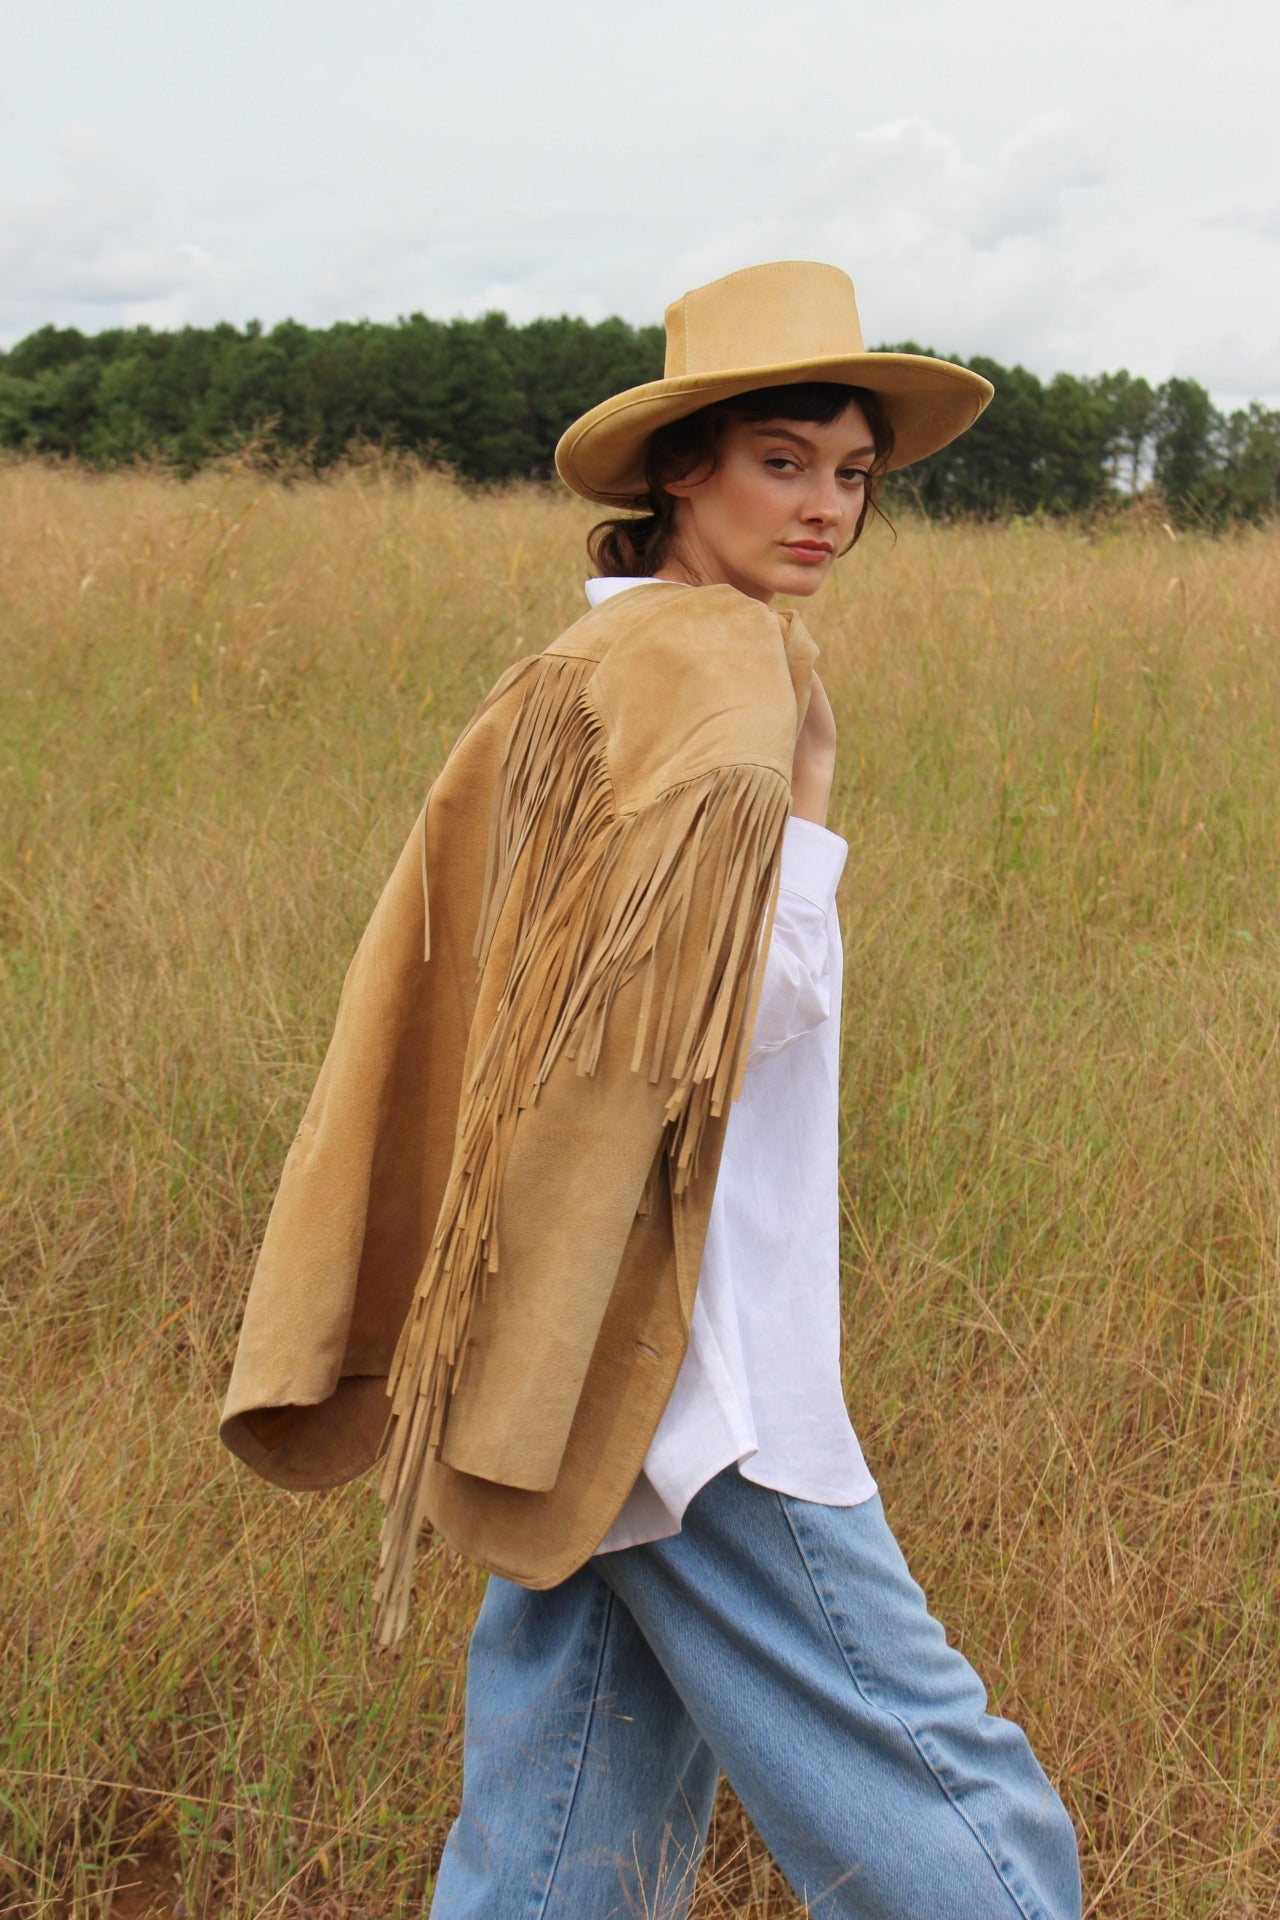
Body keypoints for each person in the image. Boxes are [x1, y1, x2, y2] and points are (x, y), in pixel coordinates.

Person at [220, 262, 1082, 1918]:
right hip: (697, 1373)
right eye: (784, 460)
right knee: (959, 1815)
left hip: (567, 1349)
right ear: (681, 467)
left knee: (559, 1846)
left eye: (854, 476)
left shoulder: (591, 661)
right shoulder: (718, 668)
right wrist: (813, 807)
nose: (827, 508)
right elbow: (721, 1023)